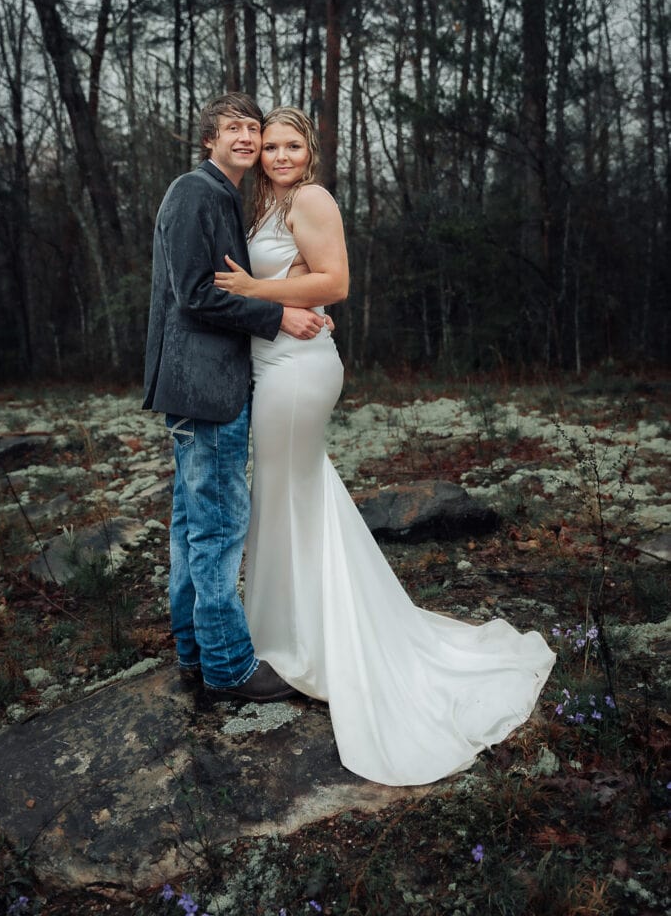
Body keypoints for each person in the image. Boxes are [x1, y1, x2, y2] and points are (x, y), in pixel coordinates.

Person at [214, 106, 555, 786]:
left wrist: (257, 288)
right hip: (272, 365)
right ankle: (293, 629)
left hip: (295, 370)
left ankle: (296, 642)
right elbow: (302, 282)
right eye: (270, 146)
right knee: (295, 498)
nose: (278, 155)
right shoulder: (261, 203)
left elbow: (334, 282)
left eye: (290, 144)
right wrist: (269, 298)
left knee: (283, 498)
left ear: (308, 150)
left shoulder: (309, 198)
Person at [143, 93, 326, 704]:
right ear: (209, 139)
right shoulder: (198, 191)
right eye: (235, 129)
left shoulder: (223, 195)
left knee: (192, 527)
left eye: (255, 127)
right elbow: (196, 295)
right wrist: (277, 319)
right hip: (206, 386)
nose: (249, 137)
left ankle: (195, 655)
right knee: (218, 530)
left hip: (202, 384)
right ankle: (229, 669)